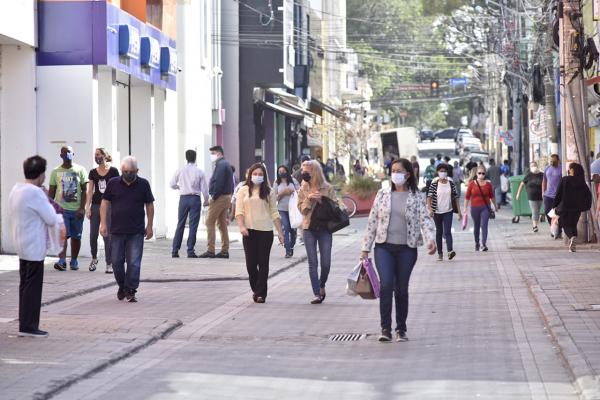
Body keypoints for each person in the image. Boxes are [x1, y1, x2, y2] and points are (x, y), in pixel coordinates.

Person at [361, 158, 436, 342]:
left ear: (408, 174)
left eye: (399, 171)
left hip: (407, 249)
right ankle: (385, 328)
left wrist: (430, 239)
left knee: (401, 288)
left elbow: (425, 220)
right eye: (393, 170)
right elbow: (372, 221)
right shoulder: (383, 194)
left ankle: (400, 329)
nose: (395, 174)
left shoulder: (416, 196)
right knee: (386, 285)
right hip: (383, 247)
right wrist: (365, 248)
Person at [9, 156, 64, 337]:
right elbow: (50, 217)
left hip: (21, 244)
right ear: (41, 174)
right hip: (34, 246)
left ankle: (25, 323)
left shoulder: (16, 189)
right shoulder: (35, 192)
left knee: (25, 286)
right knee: (33, 288)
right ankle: (29, 326)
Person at [100, 156, 154, 303]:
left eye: (132, 171)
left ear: (137, 171)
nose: (129, 174)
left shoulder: (143, 184)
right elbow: (105, 203)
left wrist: (149, 225)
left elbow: (149, 204)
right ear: (122, 170)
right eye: (125, 171)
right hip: (116, 230)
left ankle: (131, 290)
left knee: (134, 262)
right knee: (116, 261)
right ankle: (122, 285)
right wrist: (103, 223)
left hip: (136, 231)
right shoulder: (113, 183)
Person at [235, 163, 285, 303]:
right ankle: (256, 288)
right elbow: (239, 211)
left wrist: (280, 233)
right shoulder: (243, 190)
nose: (257, 176)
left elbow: (274, 212)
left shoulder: (269, 192)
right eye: (255, 174)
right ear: (250, 175)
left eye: (260, 174)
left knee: (263, 263)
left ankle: (261, 293)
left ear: (264, 176)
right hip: (248, 232)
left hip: (266, 231)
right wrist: (241, 226)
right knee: (251, 265)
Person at [298, 160, 339, 304]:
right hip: (309, 228)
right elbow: (302, 210)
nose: (304, 174)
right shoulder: (303, 188)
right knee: (312, 262)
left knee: (326, 263)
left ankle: (322, 284)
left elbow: (335, 207)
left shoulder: (327, 188)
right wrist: (309, 199)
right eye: (303, 171)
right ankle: (316, 293)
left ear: (314, 171)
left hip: (325, 229)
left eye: (306, 172)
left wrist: (322, 200)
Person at [49, 146, 88, 271]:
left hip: (77, 210)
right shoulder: (55, 171)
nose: (67, 154)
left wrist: (82, 208)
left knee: (76, 237)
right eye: (64, 152)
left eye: (69, 152)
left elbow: (85, 190)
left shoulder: (80, 170)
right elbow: (52, 192)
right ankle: (61, 261)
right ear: (60, 155)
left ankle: (74, 260)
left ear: (73, 154)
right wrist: (51, 209)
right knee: (63, 235)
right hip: (62, 210)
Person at [85, 148, 119, 273]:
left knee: (107, 235)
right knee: (93, 235)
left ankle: (109, 263)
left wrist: (117, 206)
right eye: (95, 155)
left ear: (104, 156)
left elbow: (118, 189)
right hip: (95, 205)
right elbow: (89, 191)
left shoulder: (114, 171)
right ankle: (94, 258)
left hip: (109, 206)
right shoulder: (93, 172)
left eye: (98, 155)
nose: (96, 157)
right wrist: (87, 208)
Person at [170, 150, 209, 258]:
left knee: (180, 224)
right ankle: (190, 250)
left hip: (183, 198)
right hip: (195, 199)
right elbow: (204, 189)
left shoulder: (180, 170)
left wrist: (180, 187)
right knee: (193, 225)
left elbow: (172, 184)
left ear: (186, 158)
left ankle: (175, 250)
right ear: (195, 157)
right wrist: (206, 200)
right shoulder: (199, 171)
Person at [200, 146, 234, 259]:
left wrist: (214, 196)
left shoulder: (221, 165)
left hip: (219, 197)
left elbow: (219, 183)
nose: (211, 155)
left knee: (209, 222)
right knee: (221, 224)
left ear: (219, 153)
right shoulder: (225, 164)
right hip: (226, 197)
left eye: (213, 153)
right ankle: (224, 250)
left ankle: (210, 250)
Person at [553, 163, 592, 252]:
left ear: (572, 170)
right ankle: (573, 245)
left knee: (564, 223)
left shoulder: (565, 179)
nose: (568, 170)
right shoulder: (581, 182)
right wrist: (586, 205)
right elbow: (588, 195)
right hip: (577, 208)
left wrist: (554, 205)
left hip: (565, 206)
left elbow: (559, 193)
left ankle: (572, 237)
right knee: (573, 224)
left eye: (569, 168)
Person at [427, 164, 461, 261]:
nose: (442, 173)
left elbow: (456, 197)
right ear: (437, 172)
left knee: (447, 232)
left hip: (448, 211)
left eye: (444, 171)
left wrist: (459, 212)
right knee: (439, 232)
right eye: (441, 171)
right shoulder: (434, 184)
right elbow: (429, 198)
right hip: (437, 212)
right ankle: (440, 253)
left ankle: (450, 251)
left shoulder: (451, 183)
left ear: (447, 172)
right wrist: (430, 210)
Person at [464, 165, 497, 252]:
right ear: (476, 174)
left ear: (485, 174)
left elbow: (492, 196)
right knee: (477, 226)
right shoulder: (471, 184)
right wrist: (465, 208)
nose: (481, 175)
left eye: (483, 173)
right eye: (479, 173)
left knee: (484, 225)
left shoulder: (488, 184)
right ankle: (477, 243)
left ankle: (483, 244)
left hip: (485, 208)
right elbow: (467, 197)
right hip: (474, 208)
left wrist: (495, 206)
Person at [274, 165, 299, 258]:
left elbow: (300, 192)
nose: (282, 172)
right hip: (282, 209)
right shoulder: (277, 183)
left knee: (292, 229)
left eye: (283, 170)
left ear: (287, 171)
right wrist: (283, 192)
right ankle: (288, 250)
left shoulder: (293, 181)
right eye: (280, 171)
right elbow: (274, 197)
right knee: (286, 228)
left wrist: (292, 191)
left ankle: (291, 246)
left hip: (293, 209)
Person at [515, 162, 544, 233]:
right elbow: (522, 184)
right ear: (530, 168)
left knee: (537, 211)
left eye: (534, 165)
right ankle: (535, 226)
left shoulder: (542, 175)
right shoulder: (528, 175)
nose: (533, 167)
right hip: (531, 197)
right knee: (535, 211)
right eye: (532, 166)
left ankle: (536, 225)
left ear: (537, 166)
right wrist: (518, 194)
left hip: (540, 196)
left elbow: (546, 183)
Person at [543, 154, 563, 238]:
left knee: (559, 214)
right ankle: (552, 227)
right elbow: (544, 181)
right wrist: (543, 192)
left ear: (558, 160)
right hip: (548, 195)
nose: (552, 162)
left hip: (558, 196)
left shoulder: (562, 169)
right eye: (551, 160)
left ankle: (558, 230)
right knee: (548, 212)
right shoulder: (547, 168)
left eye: (554, 160)